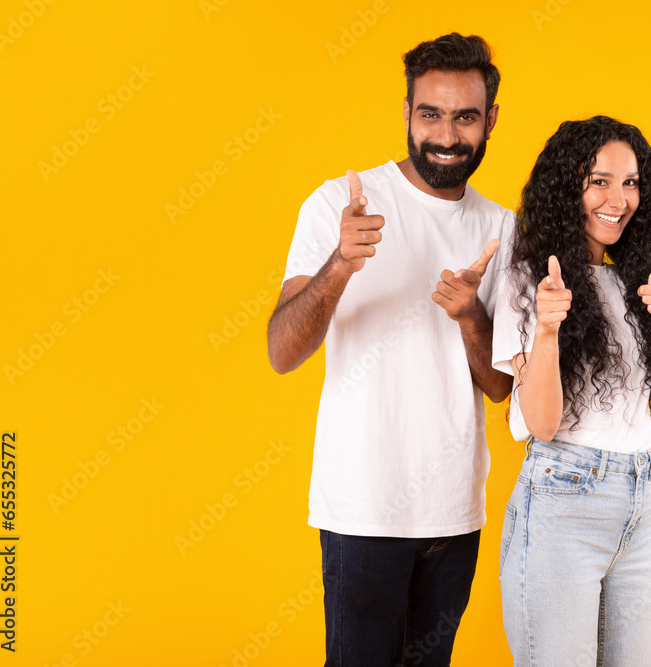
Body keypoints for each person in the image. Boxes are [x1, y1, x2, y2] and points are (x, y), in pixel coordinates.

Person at [267, 33, 513, 666]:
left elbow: (500, 386)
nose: (447, 135)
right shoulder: (337, 206)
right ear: (406, 114)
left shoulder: (503, 229)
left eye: (464, 117)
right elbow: (282, 350)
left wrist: (470, 316)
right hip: (362, 507)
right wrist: (340, 267)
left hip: (454, 511)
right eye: (430, 113)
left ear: (489, 121)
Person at [491, 115, 651, 665]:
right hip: (563, 498)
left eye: (631, 182)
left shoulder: (641, 283)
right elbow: (540, 423)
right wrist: (545, 329)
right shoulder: (529, 280)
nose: (619, 198)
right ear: (568, 186)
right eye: (599, 180)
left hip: (640, 500)